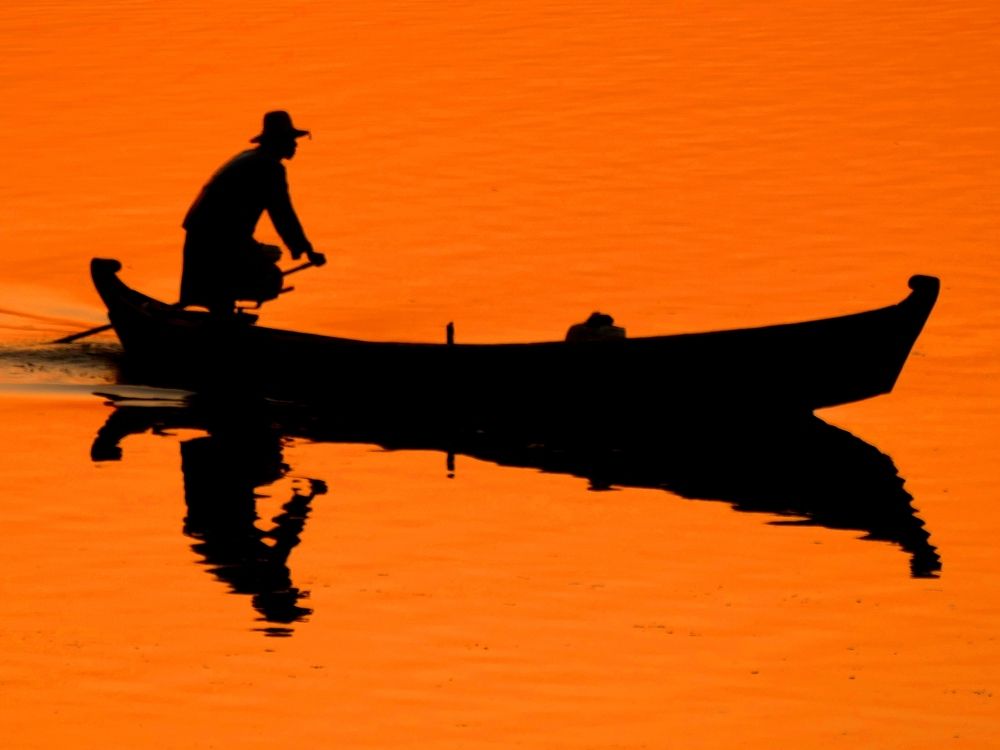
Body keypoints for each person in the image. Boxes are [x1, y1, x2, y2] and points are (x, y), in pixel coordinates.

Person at [180, 110, 327, 314]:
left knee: (220, 293)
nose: (295, 144)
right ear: (278, 142)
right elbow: (282, 213)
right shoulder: (269, 167)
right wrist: (304, 248)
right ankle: (223, 323)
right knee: (270, 278)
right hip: (216, 238)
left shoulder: (250, 158)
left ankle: (222, 321)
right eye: (290, 140)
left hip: (206, 234)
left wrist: (296, 246)